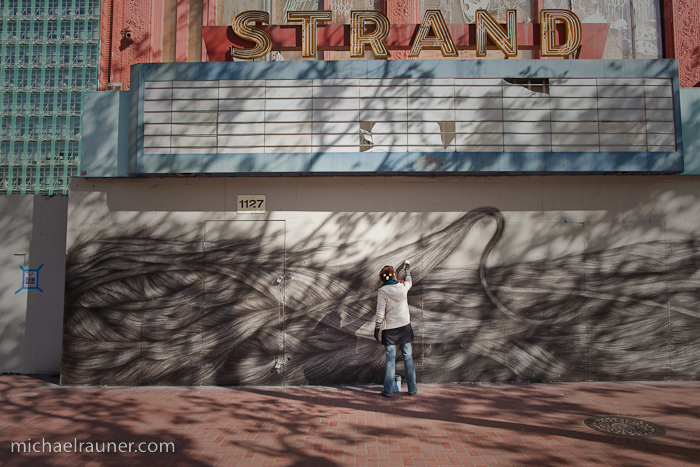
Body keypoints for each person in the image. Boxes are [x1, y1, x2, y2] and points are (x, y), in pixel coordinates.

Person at [374, 260, 417, 397]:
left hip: (390, 329)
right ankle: (412, 388)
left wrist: (377, 328)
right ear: (394, 275)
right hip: (405, 326)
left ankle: (388, 391)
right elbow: (409, 281)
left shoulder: (382, 291)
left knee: (390, 361)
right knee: (408, 358)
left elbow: (380, 311)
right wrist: (407, 270)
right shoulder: (403, 286)